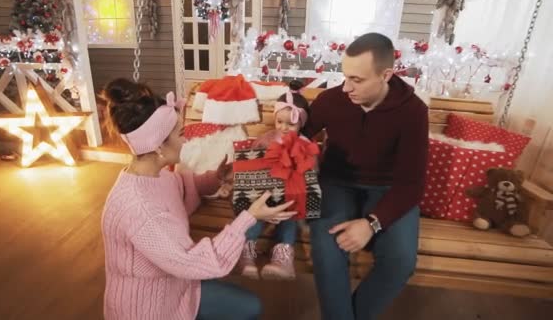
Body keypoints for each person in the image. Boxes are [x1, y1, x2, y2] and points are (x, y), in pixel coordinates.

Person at [100, 78, 297, 320]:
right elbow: (195, 263)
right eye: (179, 134)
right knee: (244, 302)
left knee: (250, 306)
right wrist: (249, 217)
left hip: (176, 284)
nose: (186, 139)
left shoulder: (155, 176)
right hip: (150, 309)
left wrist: (217, 176)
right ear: (159, 146)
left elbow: (183, 187)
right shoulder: (140, 209)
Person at [303, 33, 429, 320]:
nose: (346, 87)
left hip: (389, 189)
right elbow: (298, 137)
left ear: (386, 74)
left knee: (400, 261)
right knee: (328, 246)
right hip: (336, 182)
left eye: (357, 80)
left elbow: (412, 184)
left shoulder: (413, 112)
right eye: (345, 76)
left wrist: (371, 224)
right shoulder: (331, 100)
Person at [237, 80, 311, 280]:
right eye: (280, 122)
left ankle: (283, 256)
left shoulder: (305, 145)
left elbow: (311, 175)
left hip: (290, 199)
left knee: (290, 217)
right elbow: (251, 168)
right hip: (263, 195)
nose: (284, 127)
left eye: (291, 123)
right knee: (254, 214)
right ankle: (247, 251)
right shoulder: (265, 139)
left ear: (301, 123)